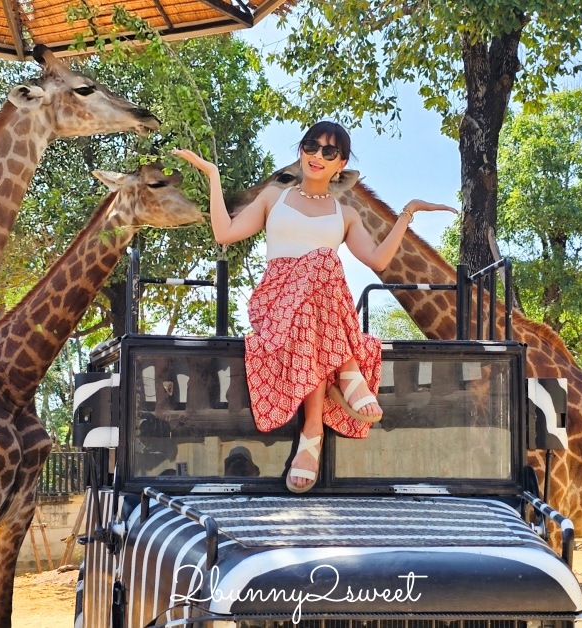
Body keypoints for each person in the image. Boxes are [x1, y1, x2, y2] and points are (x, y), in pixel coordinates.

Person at [173, 122, 455, 493]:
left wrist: (407, 213)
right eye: (311, 146)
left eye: (329, 152)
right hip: (275, 304)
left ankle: (312, 434)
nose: (317, 156)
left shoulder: (345, 214)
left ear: (341, 165)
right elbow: (224, 233)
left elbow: (379, 261)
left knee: (322, 269)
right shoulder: (275, 197)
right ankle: (349, 373)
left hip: (317, 317)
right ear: (301, 151)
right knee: (323, 260)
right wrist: (213, 175)